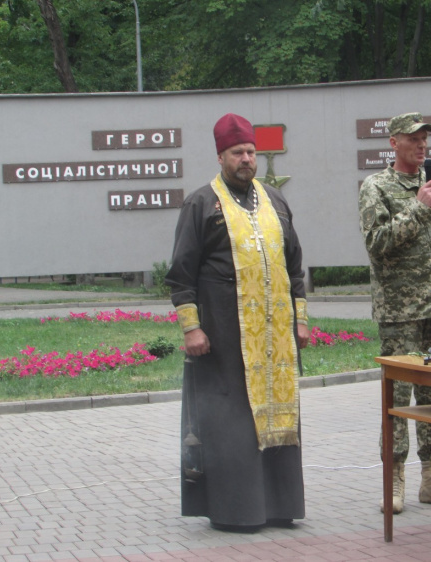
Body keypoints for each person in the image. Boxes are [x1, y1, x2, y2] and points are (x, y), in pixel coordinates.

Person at [166, 113, 310, 532]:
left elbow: (294, 265)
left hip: (276, 338)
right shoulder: (200, 204)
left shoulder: (275, 201)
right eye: (237, 153)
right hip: (225, 336)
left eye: (250, 151)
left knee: (278, 417)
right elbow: (180, 273)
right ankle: (237, 511)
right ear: (221, 156)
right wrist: (191, 327)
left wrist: (300, 320)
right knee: (232, 421)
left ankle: (280, 506)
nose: (246, 159)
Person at [358, 112, 431, 514]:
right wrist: (418, 208)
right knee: (398, 397)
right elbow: (378, 242)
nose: (422, 145)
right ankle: (393, 482)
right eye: (414, 138)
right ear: (393, 143)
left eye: (425, 138)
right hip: (400, 313)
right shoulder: (377, 187)